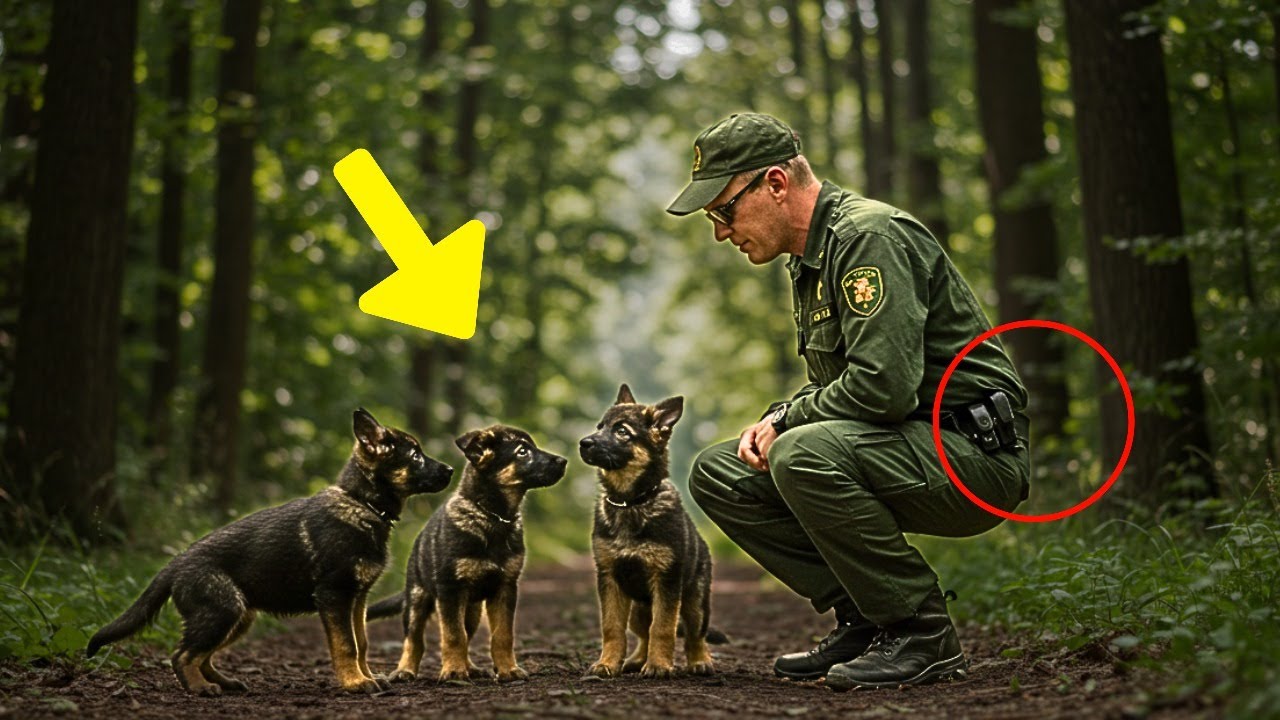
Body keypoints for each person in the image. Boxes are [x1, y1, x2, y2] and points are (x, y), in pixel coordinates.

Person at [669, 113, 1031, 691]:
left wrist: (789, 420)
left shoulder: (869, 238)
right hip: (900, 446)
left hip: (970, 455)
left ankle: (921, 632)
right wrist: (777, 416)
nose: (720, 232)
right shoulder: (811, 259)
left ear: (775, 184)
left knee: (799, 452)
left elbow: (883, 388)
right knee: (720, 473)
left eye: (724, 211)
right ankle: (867, 618)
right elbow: (839, 387)